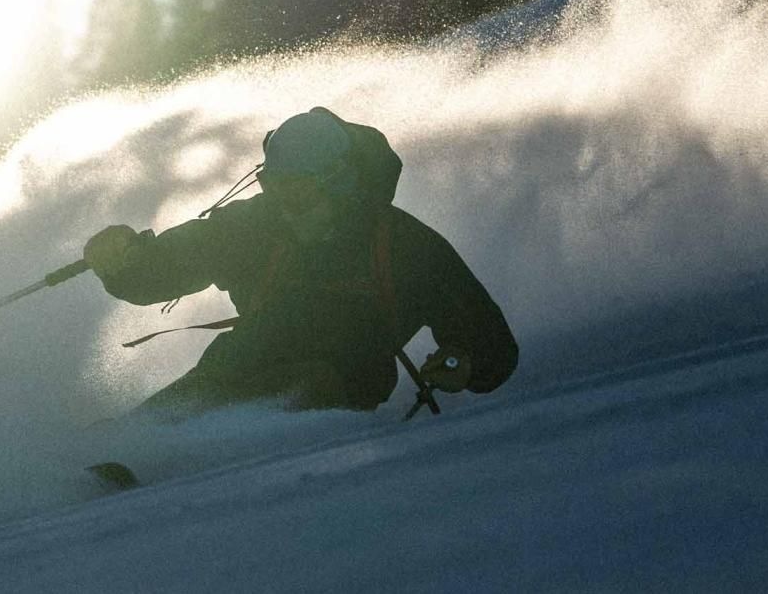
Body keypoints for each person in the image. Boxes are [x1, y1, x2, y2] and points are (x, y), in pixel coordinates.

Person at [83, 107, 518, 420]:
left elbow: (490, 343)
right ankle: (123, 455)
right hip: (235, 367)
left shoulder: (403, 245)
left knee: (292, 385)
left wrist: (465, 362)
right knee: (179, 408)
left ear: (338, 183)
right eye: (273, 185)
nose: (285, 206)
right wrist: (124, 265)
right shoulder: (256, 225)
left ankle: (181, 455)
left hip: (339, 391)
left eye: (299, 192)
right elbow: (174, 263)